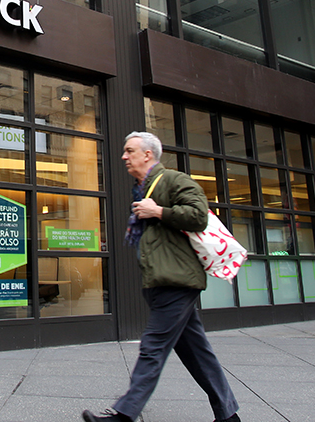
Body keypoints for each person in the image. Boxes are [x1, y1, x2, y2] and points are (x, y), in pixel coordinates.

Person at [82, 132, 240, 422]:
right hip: (163, 282)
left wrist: (159, 211)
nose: (123, 157)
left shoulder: (173, 180)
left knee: (152, 346)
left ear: (148, 154)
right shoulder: (141, 189)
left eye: (129, 151)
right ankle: (228, 415)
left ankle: (123, 415)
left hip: (177, 282)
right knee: (197, 352)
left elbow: (199, 215)